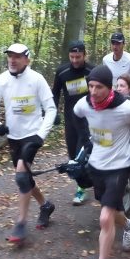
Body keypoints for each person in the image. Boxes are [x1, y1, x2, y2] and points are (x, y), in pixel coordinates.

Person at [73, 65, 130, 259]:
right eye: (91, 86)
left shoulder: (126, 108)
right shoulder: (84, 104)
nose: (93, 92)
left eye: (99, 87)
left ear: (109, 88)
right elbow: (76, 117)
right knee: (113, 211)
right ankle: (129, 224)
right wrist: (86, 141)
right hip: (96, 166)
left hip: (120, 166)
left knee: (105, 217)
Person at [0, 43, 57, 244]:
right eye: (10, 56)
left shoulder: (37, 79)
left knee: (22, 176)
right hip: (13, 137)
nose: (12, 60)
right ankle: (45, 205)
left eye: (17, 56)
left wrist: (41, 135)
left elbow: (51, 109)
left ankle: (21, 223)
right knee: (25, 177)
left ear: (27, 59)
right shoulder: (2, 80)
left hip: (33, 135)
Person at [52, 40, 94, 205]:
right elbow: (55, 93)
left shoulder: (93, 70)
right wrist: (53, 111)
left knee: (85, 152)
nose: (75, 60)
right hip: (71, 119)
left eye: (78, 57)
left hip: (91, 119)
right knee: (72, 153)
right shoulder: (62, 72)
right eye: (72, 57)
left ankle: (89, 185)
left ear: (84, 55)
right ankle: (81, 184)